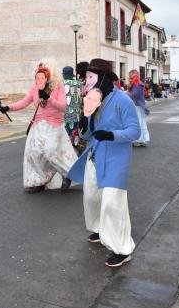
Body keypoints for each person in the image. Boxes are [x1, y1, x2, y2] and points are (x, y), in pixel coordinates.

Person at [67, 58, 140, 268]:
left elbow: (135, 131)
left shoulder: (123, 101)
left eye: (91, 77)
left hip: (116, 158)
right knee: (91, 197)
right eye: (86, 77)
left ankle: (122, 249)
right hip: (94, 156)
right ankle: (99, 228)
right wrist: (84, 125)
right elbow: (90, 134)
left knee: (113, 204)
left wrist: (111, 135)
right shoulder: (94, 100)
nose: (87, 81)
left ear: (104, 79)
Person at [0, 59, 78, 193]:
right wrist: (8, 107)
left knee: (50, 152)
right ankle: (39, 180)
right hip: (38, 126)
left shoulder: (58, 87)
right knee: (34, 154)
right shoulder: (35, 87)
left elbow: (63, 106)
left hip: (54, 125)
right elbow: (24, 102)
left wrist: (49, 98)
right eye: (39, 70)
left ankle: (67, 174)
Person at [127, 70, 150, 147]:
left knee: (138, 122)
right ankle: (142, 140)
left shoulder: (137, 84)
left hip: (137, 106)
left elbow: (134, 95)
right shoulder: (137, 84)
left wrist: (127, 93)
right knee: (141, 123)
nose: (129, 78)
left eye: (130, 76)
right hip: (138, 105)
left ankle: (138, 140)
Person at [62, 66, 82, 138]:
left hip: (64, 116)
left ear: (63, 75)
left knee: (64, 138)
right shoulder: (79, 84)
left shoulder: (61, 84)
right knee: (74, 136)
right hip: (76, 115)